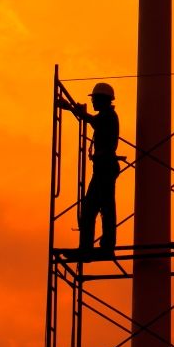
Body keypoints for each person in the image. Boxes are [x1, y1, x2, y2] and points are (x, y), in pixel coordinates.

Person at [61, 81, 120, 257]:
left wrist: (71, 108)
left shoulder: (108, 115)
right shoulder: (107, 115)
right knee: (104, 207)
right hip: (105, 167)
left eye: (95, 99)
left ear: (102, 100)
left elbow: (92, 121)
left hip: (105, 167)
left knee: (91, 209)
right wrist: (75, 110)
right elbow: (93, 121)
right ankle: (104, 246)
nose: (93, 102)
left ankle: (90, 248)